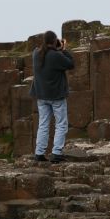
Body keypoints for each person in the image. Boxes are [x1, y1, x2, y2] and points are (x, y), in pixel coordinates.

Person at [29, 30, 74, 163]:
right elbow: (71, 63)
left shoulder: (35, 53)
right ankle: (56, 153)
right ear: (54, 42)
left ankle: (39, 153)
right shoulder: (56, 56)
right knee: (61, 124)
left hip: (41, 96)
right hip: (56, 96)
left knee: (43, 124)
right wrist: (64, 49)